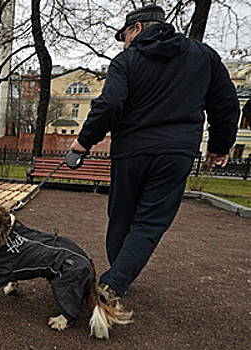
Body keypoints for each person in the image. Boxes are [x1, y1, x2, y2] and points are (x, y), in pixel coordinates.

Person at [70, 5, 240, 306]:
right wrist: (219, 146)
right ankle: (118, 279)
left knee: (120, 217)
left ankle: (115, 279)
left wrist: (83, 143)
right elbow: (226, 103)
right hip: (176, 153)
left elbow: (109, 105)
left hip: (131, 152)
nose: (123, 42)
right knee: (149, 223)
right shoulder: (204, 56)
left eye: (123, 36)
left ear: (136, 29)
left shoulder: (127, 59)